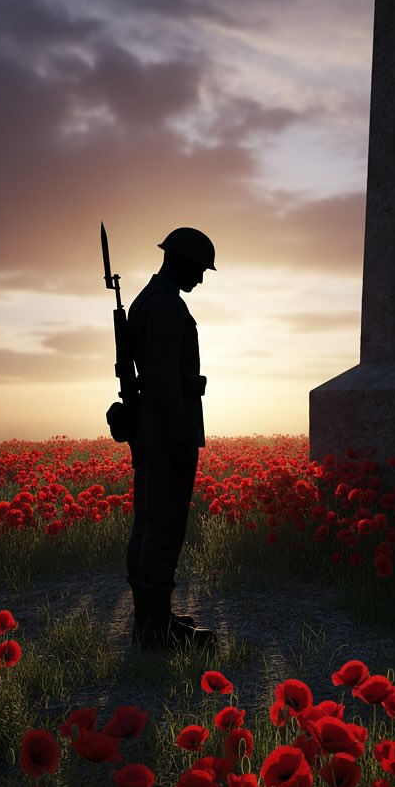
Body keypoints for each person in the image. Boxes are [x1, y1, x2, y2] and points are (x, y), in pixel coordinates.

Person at [126, 227, 217, 651]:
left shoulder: (150, 300)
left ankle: (154, 619)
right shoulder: (164, 306)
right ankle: (153, 630)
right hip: (166, 432)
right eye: (198, 269)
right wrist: (182, 436)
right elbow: (163, 379)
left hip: (155, 430)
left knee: (150, 524)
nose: (200, 279)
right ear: (180, 261)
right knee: (163, 526)